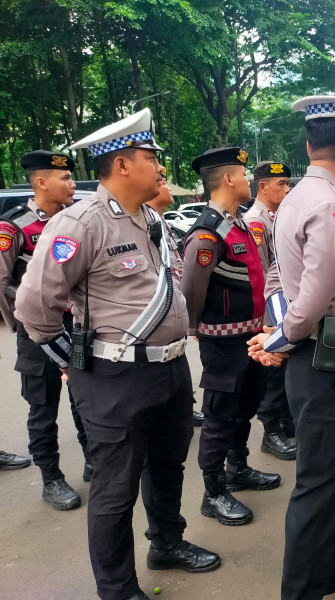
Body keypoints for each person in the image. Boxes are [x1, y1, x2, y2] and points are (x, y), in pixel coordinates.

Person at [15, 108, 220, 600]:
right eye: (152, 158)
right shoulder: (79, 224)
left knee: (168, 466)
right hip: (113, 378)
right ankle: (118, 588)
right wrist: (69, 360)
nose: (161, 167)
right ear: (123, 165)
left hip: (169, 370)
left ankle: (166, 543)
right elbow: (34, 307)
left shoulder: (153, 219)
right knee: (115, 489)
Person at [247, 94, 335, 599]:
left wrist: (278, 333)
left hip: (319, 358)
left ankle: (334, 564)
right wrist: (281, 339)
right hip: (328, 360)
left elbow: (280, 279)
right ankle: (303, 589)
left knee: (331, 475)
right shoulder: (333, 206)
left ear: (309, 146)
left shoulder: (295, 199)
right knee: (321, 481)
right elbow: (313, 300)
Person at [182, 148, 281, 527]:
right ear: (227, 179)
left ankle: (238, 468)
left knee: (246, 405)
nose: (248, 180)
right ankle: (213, 491)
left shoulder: (236, 223)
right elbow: (192, 290)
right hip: (223, 343)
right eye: (242, 174)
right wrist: (196, 330)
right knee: (220, 415)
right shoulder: (208, 233)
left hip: (251, 338)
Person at [0, 150, 90, 511]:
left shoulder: (74, 221)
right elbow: (2, 283)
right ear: (41, 182)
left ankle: (94, 460)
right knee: (43, 405)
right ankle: (51, 478)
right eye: (65, 178)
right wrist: (23, 318)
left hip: (79, 327)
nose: (72, 184)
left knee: (85, 394)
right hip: (37, 331)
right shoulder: (15, 226)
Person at [244, 161, 297, 461]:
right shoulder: (256, 221)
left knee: (284, 369)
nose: (287, 189)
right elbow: (263, 273)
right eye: (281, 184)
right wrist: (273, 318)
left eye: (288, 183)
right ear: (262, 187)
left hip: (284, 306)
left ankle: (286, 421)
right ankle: (271, 431)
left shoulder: (278, 216)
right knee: (272, 372)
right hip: (271, 310)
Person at [146, 168, 204, 428]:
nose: (168, 186)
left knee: (177, 359)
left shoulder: (162, 223)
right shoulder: (146, 224)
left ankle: (184, 407)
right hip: (155, 313)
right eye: (163, 182)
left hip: (174, 307)